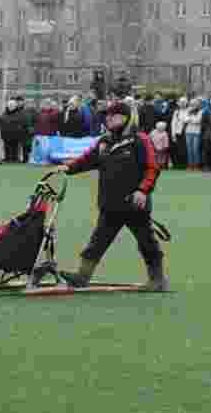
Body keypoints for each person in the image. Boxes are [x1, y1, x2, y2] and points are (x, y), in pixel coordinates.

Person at [58, 100, 168, 292]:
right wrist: (68, 168)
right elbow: (87, 160)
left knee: (147, 243)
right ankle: (82, 276)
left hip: (135, 205)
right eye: (107, 116)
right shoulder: (104, 141)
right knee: (97, 242)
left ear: (126, 118)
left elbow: (153, 168)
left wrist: (142, 191)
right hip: (110, 204)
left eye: (114, 116)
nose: (109, 119)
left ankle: (157, 280)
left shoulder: (140, 139)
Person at [182, 97, 204, 170]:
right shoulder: (188, 110)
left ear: (198, 104)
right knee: (189, 149)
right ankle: (190, 165)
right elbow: (184, 119)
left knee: (195, 149)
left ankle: (196, 165)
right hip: (188, 132)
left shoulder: (201, 111)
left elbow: (198, 121)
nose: (193, 105)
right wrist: (190, 118)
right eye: (192, 104)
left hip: (197, 132)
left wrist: (190, 118)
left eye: (195, 104)